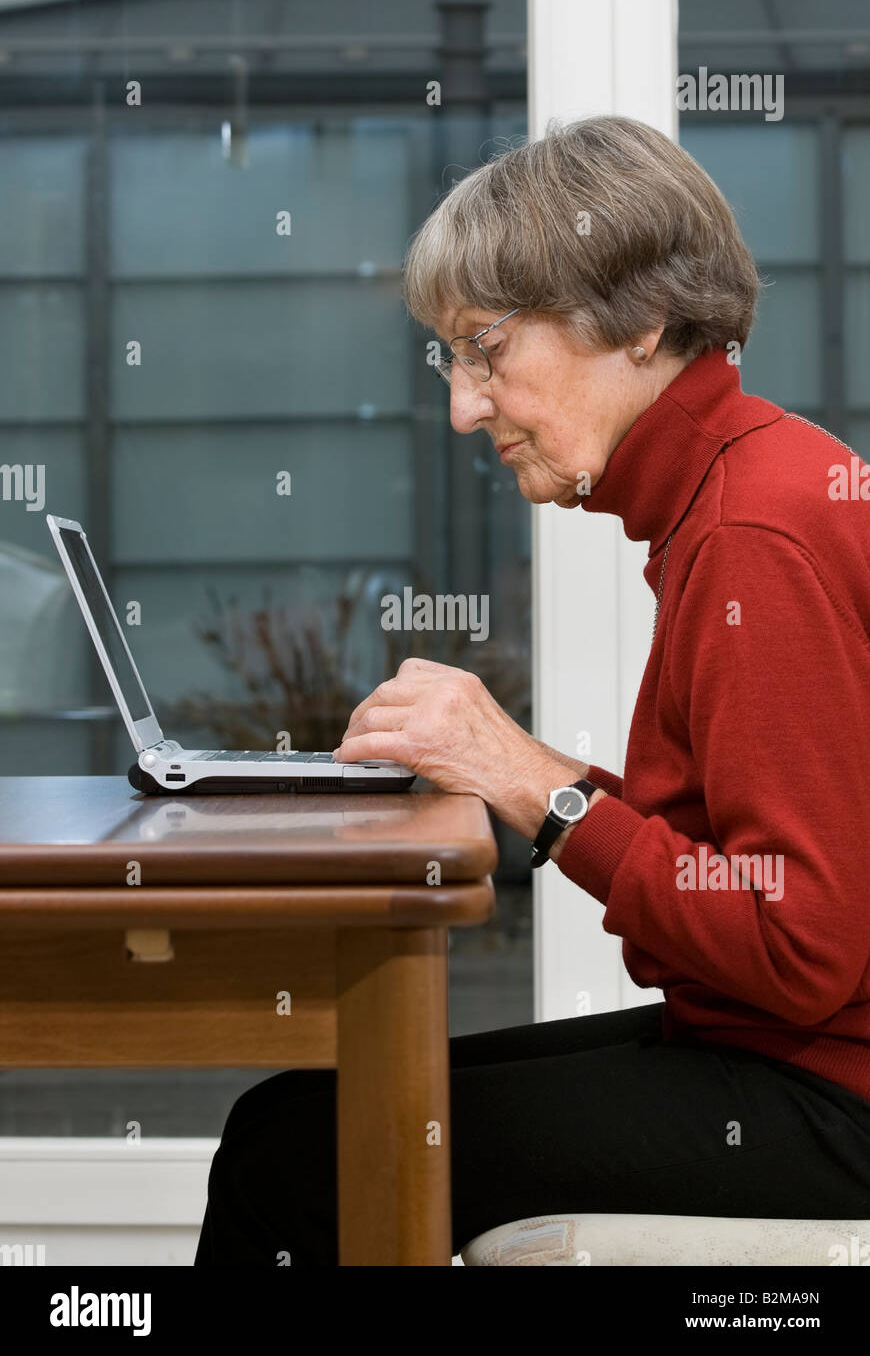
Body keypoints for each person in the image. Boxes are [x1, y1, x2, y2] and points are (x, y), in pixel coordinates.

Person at [195, 115, 870, 1266]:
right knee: (288, 1122)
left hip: (830, 1097)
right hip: (789, 1054)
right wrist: (531, 776)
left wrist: (536, 784)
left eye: (487, 349)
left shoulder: (754, 531)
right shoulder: (743, 486)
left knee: (294, 1158)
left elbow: (800, 946)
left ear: (641, 323)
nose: (465, 406)